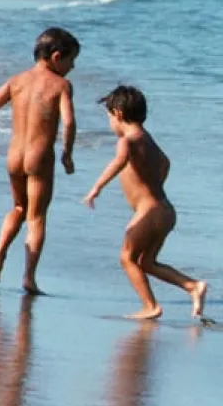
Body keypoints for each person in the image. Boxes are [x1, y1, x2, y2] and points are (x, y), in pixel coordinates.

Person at [82, 85, 207, 320]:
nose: (109, 123)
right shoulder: (148, 140)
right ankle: (192, 286)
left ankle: (150, 306)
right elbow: (166, 163)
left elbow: (119, 162)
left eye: (109, 116)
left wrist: (96, 188)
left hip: (148, 212)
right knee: (147, 262)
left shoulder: (127, 141)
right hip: (165, 210)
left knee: (127, 258)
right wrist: (154, 183)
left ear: (118, 114)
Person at [0, 27, 79, 294]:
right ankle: (29, 277)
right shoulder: (61, 85)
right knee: (36, 218)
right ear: (57, 57)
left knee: (19, 208)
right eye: (71, 61)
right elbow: (68, 122)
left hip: (14, 156)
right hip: (39, 157)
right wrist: (67, 153)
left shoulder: (17, 80)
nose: (72, 67)